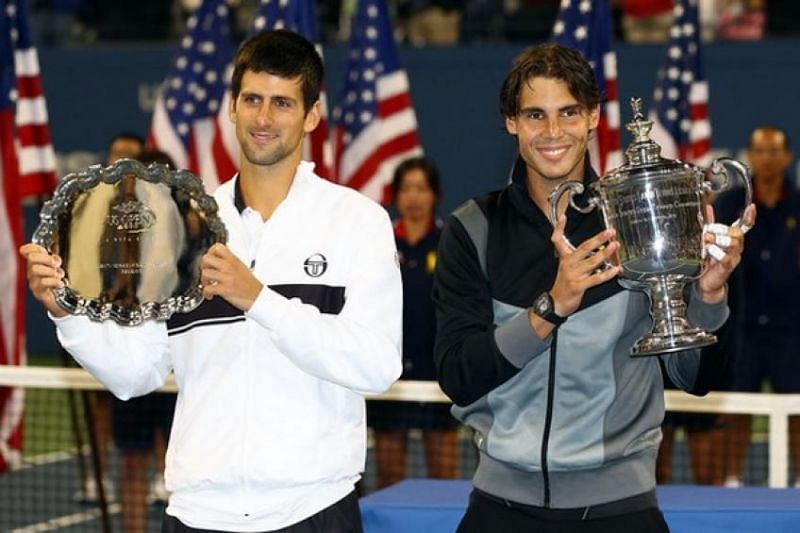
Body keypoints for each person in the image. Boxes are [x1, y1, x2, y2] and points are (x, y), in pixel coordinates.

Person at [22, 29, 402, 533]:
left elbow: (377, 366)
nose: (264, 119)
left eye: (283, 103)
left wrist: (259, 299)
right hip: (197, 514)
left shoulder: (358, 221)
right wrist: (66, 312)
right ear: (232, 107)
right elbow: (138, 373)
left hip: (313, 509)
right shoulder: (182, 226)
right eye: (252, 100)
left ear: (311, 115)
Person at [432, 42, 755, 531]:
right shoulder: (473, 228)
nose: (553, 132)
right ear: (511, 122)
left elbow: (697, 379)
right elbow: (457, 374)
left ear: (590, 120)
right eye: (535, 115)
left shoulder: (637, 221)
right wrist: (550, 309)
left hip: (621, 509)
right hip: (501, 508)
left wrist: (708, 298)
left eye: (568, 113)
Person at [715, 125, 800, 488]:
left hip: (791, 331)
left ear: (787, 158)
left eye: (773, 151)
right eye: (760, 151)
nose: (766, 159)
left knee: (797, 410)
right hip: (743, 329)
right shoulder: (729, 205)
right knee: (738, 408)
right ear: (750, 157)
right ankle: (732, 480)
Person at [368, 156, 459, 488]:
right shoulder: (380, 241)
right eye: (406, 188)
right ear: (396, 195)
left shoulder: (450, 240)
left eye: (421, 188)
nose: (413, 197)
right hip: (390, 380)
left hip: (438, 379)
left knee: (445, 477)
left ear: (434, 194)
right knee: (389, 478)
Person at [73, 131, 146, 504]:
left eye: (130, 157)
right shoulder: (88, 207)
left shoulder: (153, 212)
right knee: (98, 409)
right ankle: (96, 476)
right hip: (97, 322)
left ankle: (162, 475)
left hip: (141, 326)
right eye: (116, 155)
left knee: (155, 399)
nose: (121, 163)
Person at [110, 149, 180, 533]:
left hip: (178, 373)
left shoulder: (192, 240)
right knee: (133, 463)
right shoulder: (119, 243)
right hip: (133, 367)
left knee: (181, 464)